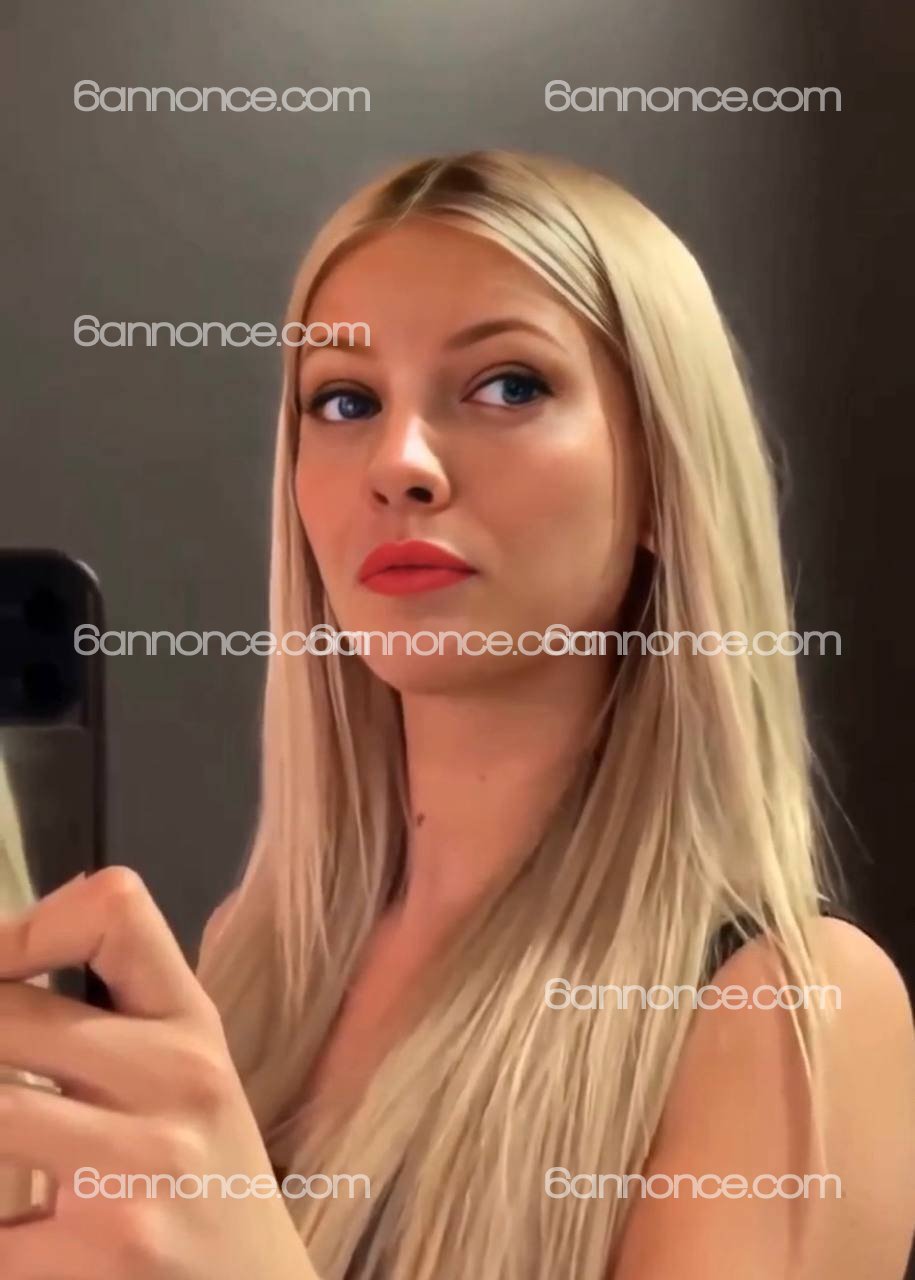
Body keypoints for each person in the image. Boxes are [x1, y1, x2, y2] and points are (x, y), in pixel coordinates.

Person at [0, 150, 912, 1278]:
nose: (401, 463)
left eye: (508, 386)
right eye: (345, 401)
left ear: (663, 477)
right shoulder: (258, 955)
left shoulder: (790, 1009)